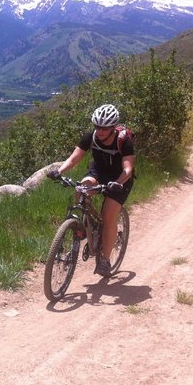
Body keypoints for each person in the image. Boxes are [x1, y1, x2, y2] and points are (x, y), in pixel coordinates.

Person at [47, 103, 135, 277]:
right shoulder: (91, 136)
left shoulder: (124, 141)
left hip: (119, 179)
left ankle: (105, 260)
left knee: (109, 216)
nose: (100, 131)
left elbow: (128, 169)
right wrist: (59, 171)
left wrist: (118, 182)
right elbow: (74, 158)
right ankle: (84, 225)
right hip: (99, 172)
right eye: (97, 127)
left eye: (105, 128)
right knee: (81, 188)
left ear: (112, 127)